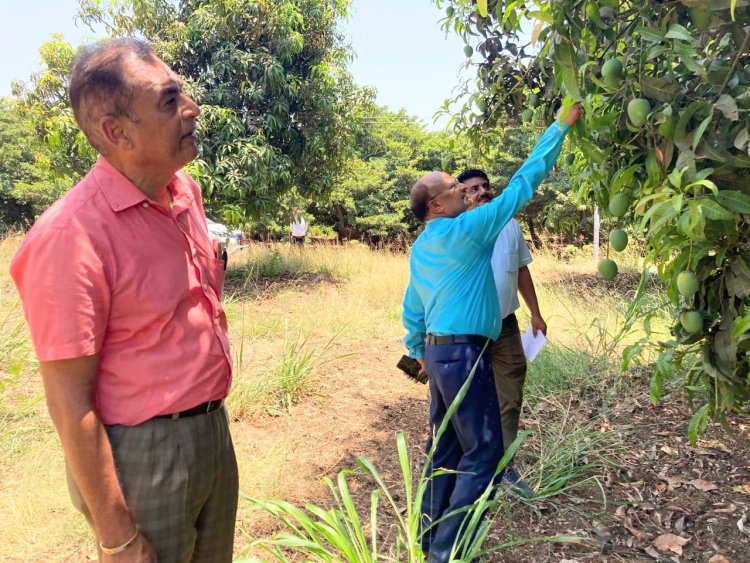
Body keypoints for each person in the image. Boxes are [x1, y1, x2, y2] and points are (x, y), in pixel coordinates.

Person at [10, 38, 238, 562]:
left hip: (211, 432)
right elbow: (69, 403)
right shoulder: (71, 235)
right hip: (144, 459)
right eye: (168, 100)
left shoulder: (185, 192)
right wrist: (117, 536)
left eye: (182, 93)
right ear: (116, 133)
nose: (191, 108)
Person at [402, 104, 582, 563]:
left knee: (444, 448)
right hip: (464, 355)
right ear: (437, 205)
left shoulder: (421, 247)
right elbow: (523, 184)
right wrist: (559, 126)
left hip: (441, 357)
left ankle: (429, 538)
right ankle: (449, 551)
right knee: (484, 451)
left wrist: (416, 349)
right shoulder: (466, 229)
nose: (464, 189)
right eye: (454, 187)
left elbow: (413, 307)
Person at [458, 168, 546, 497]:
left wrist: (535, 313)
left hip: (506, 324)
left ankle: (505, 467)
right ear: (462, 196)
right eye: (473, 189)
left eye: (485, 186)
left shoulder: (510, 225)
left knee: (510, 392)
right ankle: (469, 465)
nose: (482, 192)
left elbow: (521, 270)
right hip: (467, 329)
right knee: (467, 397)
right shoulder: (458, 230)